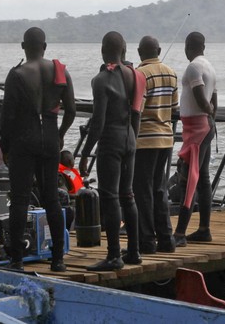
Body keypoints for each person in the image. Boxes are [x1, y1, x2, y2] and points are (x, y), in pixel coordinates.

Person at [0, 27, 75, 272]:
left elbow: (7, 116)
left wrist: (5, 146)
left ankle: (17, 260)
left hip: (24, 138)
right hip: (51, 138)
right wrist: (61, 134)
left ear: (24, 46)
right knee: (51, 198)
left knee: (20, 199)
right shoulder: (61, 72)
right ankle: (58, 260)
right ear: (45, 45)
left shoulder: (17, 74)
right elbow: (71, 111)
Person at [79, 31, 145, 271]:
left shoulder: (101, 80)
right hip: (130, 138)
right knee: (128, 195)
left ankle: (114, 255)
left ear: (102, 50)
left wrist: (86, 153)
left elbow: (98, 122)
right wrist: (133, 142)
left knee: (110, 197)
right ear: (124, 50)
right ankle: (135, 252)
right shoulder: (136, 75)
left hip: (111, 140)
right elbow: (136, 113)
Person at [134, 36, 179, 254]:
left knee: (142, 190)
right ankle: (166, 240)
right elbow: (174, 107)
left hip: (145, 139)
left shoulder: (140, 74)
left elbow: (137, 110)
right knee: (159, 189)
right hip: (166, 138)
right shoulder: (171, 72)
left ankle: (147, 242)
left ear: (139, 52)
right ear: (159, 50)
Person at [173, 32, 218, 246]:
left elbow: (201, 98)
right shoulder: (209, 66)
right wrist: (211, 115)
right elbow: (214, 97)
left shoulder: (193, 67)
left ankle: (180, 234)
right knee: (203, 179)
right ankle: (204, 229)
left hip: (197, 130)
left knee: (188, 180)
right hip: (204, 127)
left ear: (188, 46)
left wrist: (206, 112)